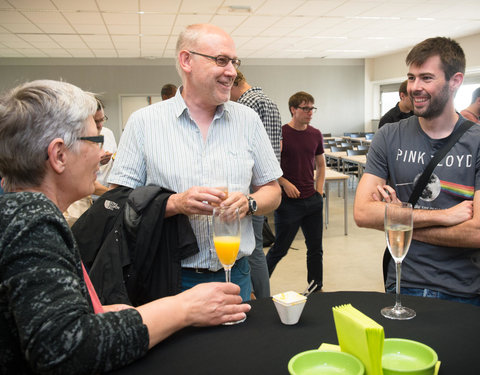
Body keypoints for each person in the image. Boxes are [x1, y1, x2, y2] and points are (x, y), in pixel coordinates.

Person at [0, 79, 251, 374]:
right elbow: (66, 350)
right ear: (58, 155)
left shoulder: (22, 213)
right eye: (95, 141)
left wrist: (101, 315)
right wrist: (183, 308)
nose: (102, 154)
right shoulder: (33, 222)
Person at [108, 24, 282, 302]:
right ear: (186, 60)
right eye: (221, 60)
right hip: (170, 277)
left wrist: (249, 203)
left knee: (239, 345)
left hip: (236, 273)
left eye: (234, 62)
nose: (232, 72)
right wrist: (174, 204)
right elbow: (116, 203)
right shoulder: (144, 123)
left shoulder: (248, 120)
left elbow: (273, 191)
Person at [354, 37, 480, 305]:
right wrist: (446, 216)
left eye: (426, 78)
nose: (415, 87)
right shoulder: (389, 135)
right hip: (403, 284)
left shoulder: (477, 142)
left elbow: (477, 233)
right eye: (411, 78)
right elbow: (363, 213)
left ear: (455, 81)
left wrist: (399, 222)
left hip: (465, 291)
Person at [266, 91, 326, 291]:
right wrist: (284, 182)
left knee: (315, 249)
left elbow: (321, 165)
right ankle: (258, 287)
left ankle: (316, 288)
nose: (310, 112)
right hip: (289, 204)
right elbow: (269, 166)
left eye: (312, 108)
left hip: (312, 201)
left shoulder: (315, 134)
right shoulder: (281, 134)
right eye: (305, 108)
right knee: (280, 249)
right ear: (293, 109)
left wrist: (319, 191)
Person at [230, 69, 282, 298]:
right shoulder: (269, 102)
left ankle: (261, 299)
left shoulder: (246, 106)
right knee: (257, 247)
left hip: (252, 184)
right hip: (267, 181)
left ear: (235, 83)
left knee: (252, 250)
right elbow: (278, 145)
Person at [93, 97, 117, 195]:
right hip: (87, 197)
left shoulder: (108, 133)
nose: (100, 125)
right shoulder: (76, 140)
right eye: (95, 121)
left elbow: (115, 158)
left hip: (105, 193)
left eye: (102, 120)